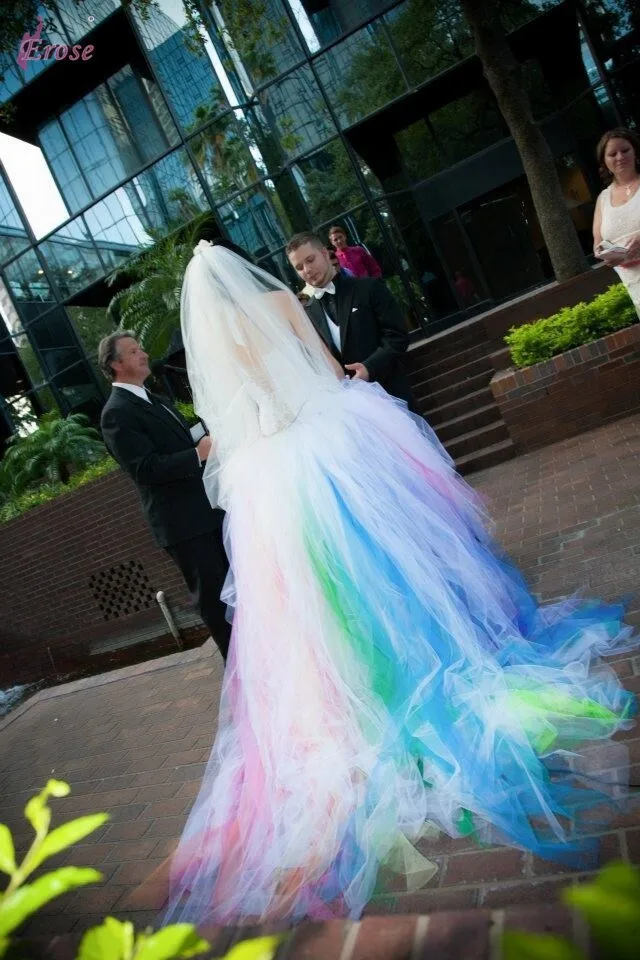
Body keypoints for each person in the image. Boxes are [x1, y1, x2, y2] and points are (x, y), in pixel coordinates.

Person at [164, 241, 637, 928]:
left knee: (319, 594)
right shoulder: (280, 306)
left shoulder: (219, 339)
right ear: (253, 268)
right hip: (326, 442)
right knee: (394, 560)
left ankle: (356, 695)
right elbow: (326, 373)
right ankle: (431, 657)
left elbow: (236, 419)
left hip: (272, 476)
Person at [98, 331, 231, 661]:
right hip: (183, 524)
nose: (143, 354)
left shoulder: (155, 398)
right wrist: (196, 455)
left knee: (236, 588)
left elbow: (182, 442)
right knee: (214, 598)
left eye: (140, 348)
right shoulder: (116, 413)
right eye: (133, 351)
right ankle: (241, 669)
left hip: (208, 508)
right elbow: (144, 469)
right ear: (115, 364)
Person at [286, 231, 416, 409]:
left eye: (310, 260)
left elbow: (397, 336)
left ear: (324, 253)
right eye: (299, 267)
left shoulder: (368, 287)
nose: (307, 270)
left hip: (392, 394)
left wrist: (369, 367)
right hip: (352, 412)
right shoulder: (307, 313)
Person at [592, 127, 640, 316]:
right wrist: (605, 254)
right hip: (634, 286)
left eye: (625, 150)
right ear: (605, 162)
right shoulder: (603, 199)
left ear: (635, 151)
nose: (620, 157)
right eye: (612, 154)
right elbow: (598, 244)